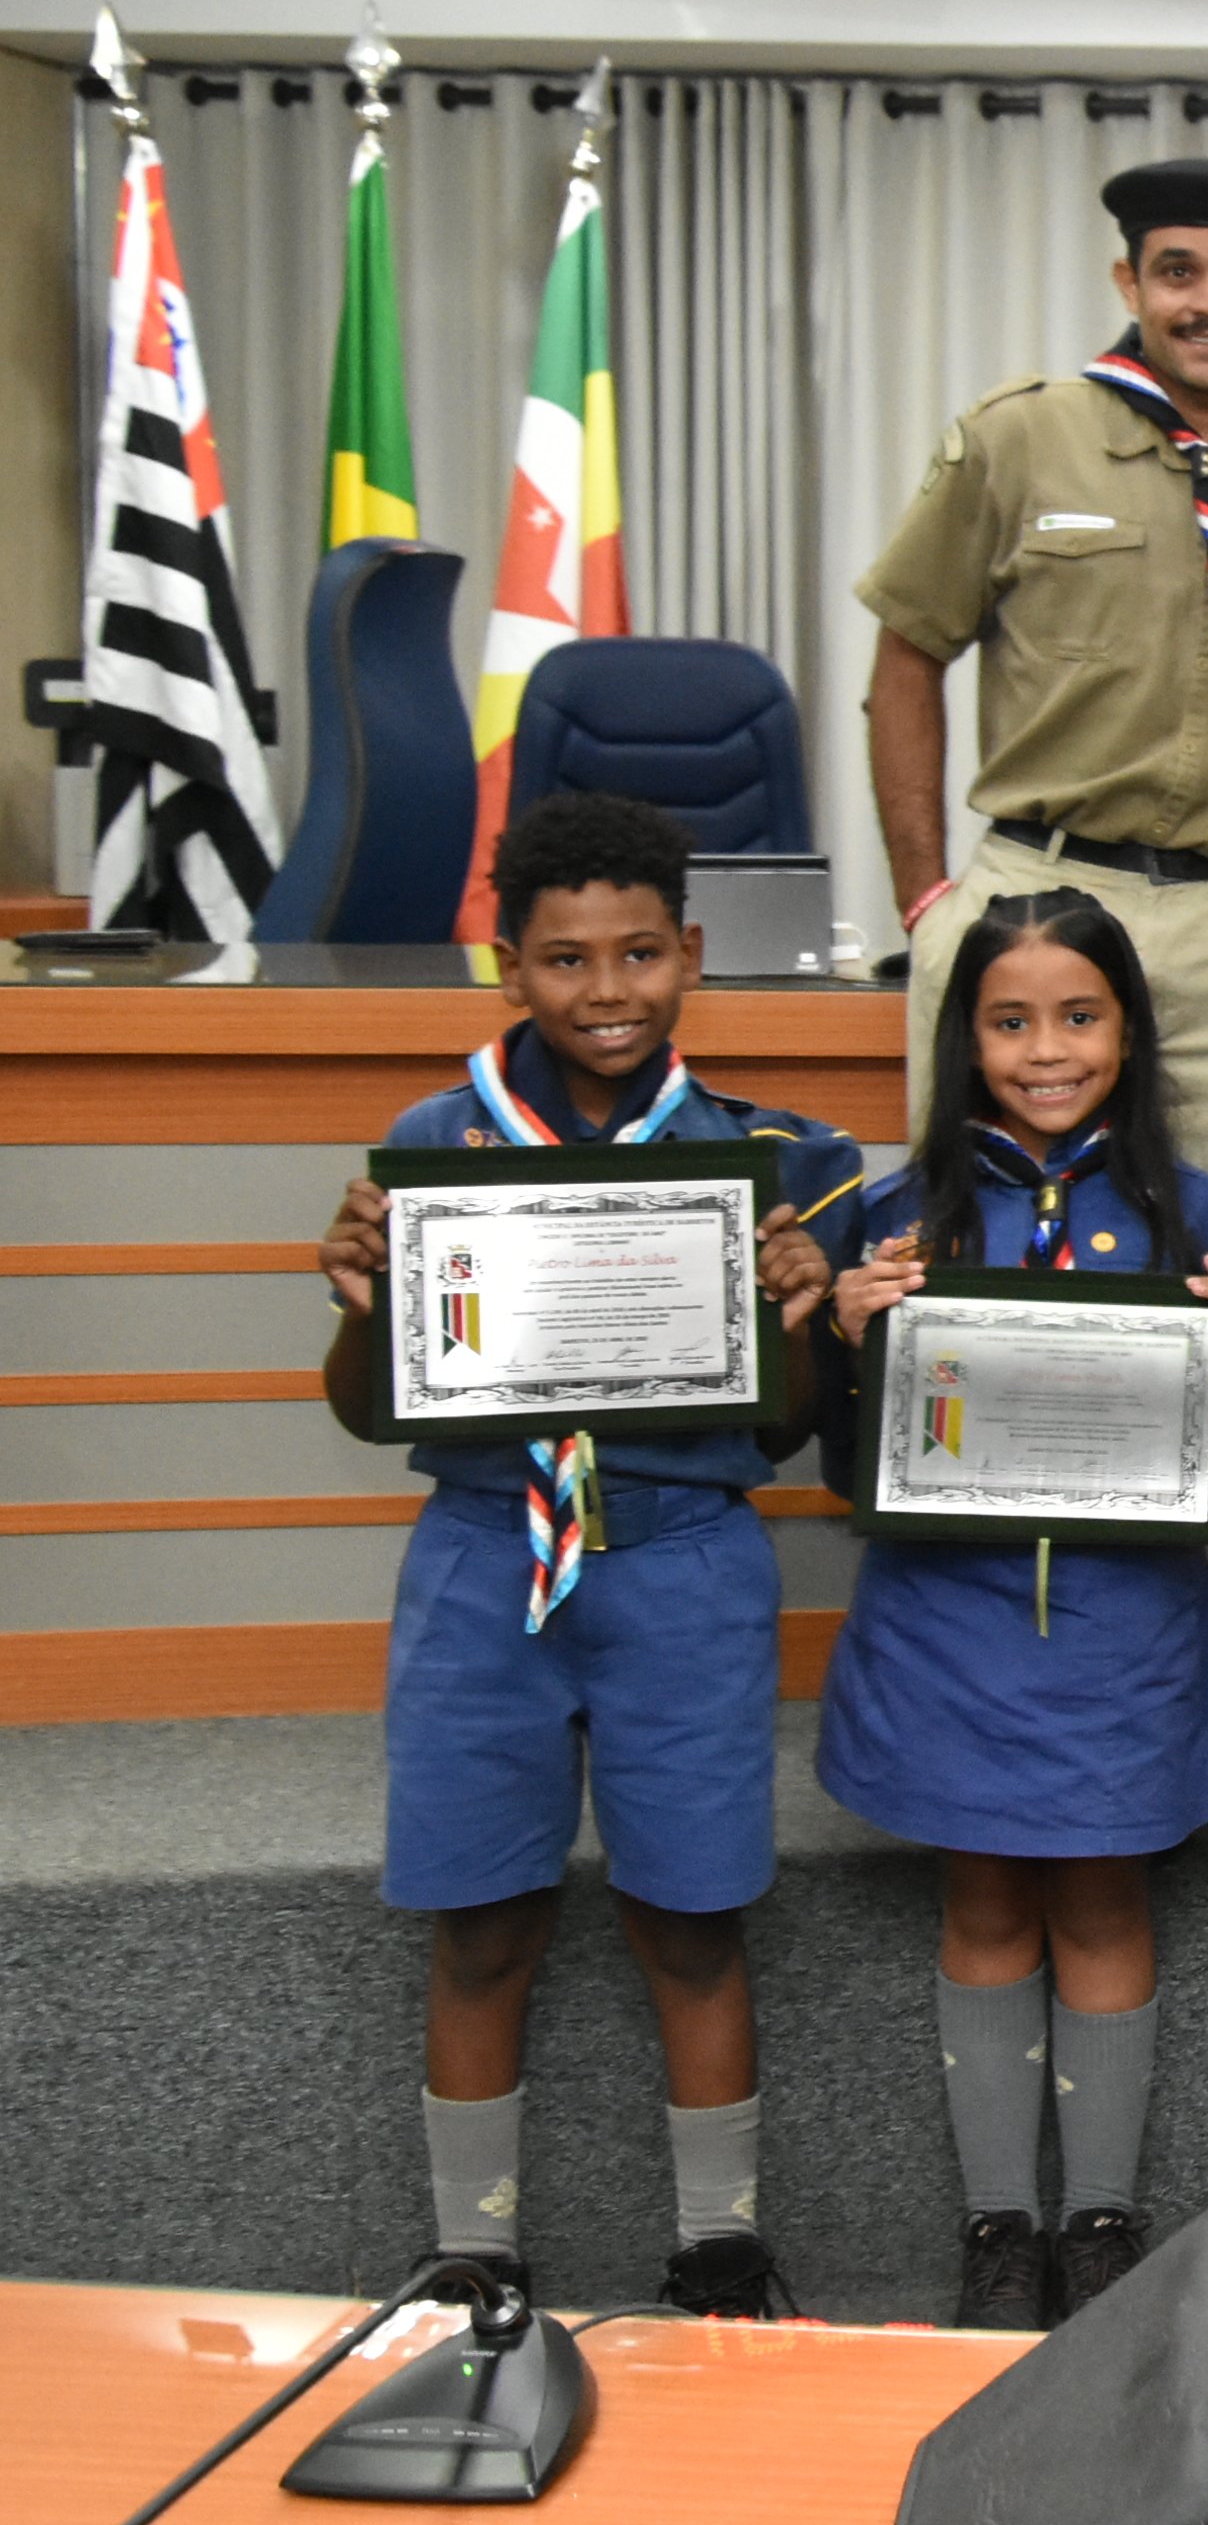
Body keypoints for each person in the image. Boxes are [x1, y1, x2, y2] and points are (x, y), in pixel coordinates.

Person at [310, 792, 853, 2319]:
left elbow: (784, 1432)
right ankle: (472, 2254)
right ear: (510, 968)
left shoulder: (770, 1156)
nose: (606, 990)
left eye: (638, 953)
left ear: (692, 954)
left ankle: (719, 2251)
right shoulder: (437, 1143)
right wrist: (363, 1305)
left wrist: (794, 1314)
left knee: (692, 1918)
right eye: (564, 960)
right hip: (487, 1562)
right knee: (483, 1922)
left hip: (684, 1564)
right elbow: (370, 1412)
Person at [816, 891, 1208, 2331]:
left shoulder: (1188, 1210)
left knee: (1101, 1896)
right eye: (1010, 1022)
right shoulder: (893, 1217)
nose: (1045, 1051)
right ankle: (997, 2226)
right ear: (963, 1040)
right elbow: (845, 1465)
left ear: (1128, 1032)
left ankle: (1097, 2219)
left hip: (1118, 1627)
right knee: (981, 1901)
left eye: (1078, 1017)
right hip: (948, 1625)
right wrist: (848, 1340)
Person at [861, 157, 1208, 1196]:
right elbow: (907, 657)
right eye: (1178, 272)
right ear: (1127, 282)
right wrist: (924, 900)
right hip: (1038, 899)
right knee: (982, 1228)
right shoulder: (1019, 440)